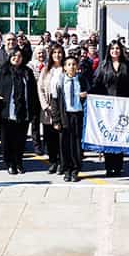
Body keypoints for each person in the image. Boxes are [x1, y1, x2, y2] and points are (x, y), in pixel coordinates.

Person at [0, 47, 39, 175]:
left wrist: (34, 110)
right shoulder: (2, 71)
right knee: (7, 140)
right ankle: (9, 163)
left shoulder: (27, 72)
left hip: (23, 112)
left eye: (19, 56)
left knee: (20, 140)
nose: (16, 58)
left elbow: (33, 93)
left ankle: (19, 162)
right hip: (5, 112)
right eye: (14, 55)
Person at [94, 41, 129, 178]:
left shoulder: (128, 65)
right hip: (107, 108)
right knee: (108, 137)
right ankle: (109, 167)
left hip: (123, 107)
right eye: (112, 48)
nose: (115, 50)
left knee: (119, 136)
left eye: (117, 48)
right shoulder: (103, 65)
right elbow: (97, 84)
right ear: (109, 50)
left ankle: (118, 167)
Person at [51, 54, 87, 182]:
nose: (72, 67)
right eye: (69, 64)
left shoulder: (81, 80)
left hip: (77, 115)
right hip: (64, 115)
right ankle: (67, 169)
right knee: (64, 144)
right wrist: (56, 120)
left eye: (74, 64)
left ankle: (76, 169)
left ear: (77, 67)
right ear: (65, 67)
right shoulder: (59, 82)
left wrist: (85, 95)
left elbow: (90, 93)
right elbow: (54, 101)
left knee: (76, 144)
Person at [37, 44, 66, 175]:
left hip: (62, 109)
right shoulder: (46, 70)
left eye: (59, 52)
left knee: (61, 137)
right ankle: (53, 161)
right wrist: (45, 106)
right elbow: (40, 88)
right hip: (48, 110)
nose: (57, 55)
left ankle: (61, 162)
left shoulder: (66, 68)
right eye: (54, 52)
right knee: (49, 138)